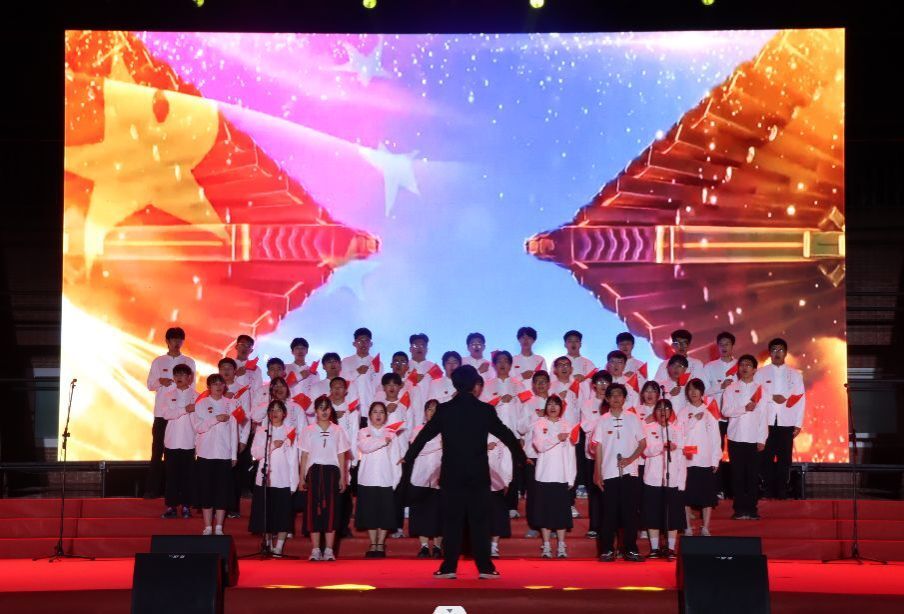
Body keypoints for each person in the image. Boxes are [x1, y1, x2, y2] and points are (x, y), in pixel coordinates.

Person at [403, 365, 526, 579]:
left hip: (452, 475)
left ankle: (449, 567)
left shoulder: (445, 410)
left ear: (454, 384)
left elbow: (424, 435)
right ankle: (485, 568)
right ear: (474, 385)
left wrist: (409, 456)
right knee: (480, 522)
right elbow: (506, 434)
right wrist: (521, 457)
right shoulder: (485, 410)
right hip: (478, 475)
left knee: (452, 522)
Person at [592, 383, 646, 562]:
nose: (616, 398)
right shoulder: (602, 420)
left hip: (630, 473)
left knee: (630, 513)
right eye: (612, 395)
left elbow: (643, 444)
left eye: (619, 395)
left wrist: (630, 459)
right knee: (609, 513)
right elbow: (598, 447)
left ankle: (630, 549)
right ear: (607, 399)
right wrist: (597, 472)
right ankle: (607, 549)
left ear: (624, 398)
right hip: (609, 473)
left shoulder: (633, 418)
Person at [145, 327, 196, 498]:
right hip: (162, 414)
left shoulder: (189, 361)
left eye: (180, 339)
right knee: (157, 451)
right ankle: (153, 490)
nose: (177, 342)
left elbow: (192, 387)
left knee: (180, 455)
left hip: (182, 417)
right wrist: (160, 380)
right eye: (173, 339)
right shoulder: (158, 361)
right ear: (167, 341)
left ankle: (179, 492)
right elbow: (150, 385)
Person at [298, 395, 351, 561]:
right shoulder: (308, 430)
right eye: (320, 408)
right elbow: (304, 456)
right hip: (314, 473)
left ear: (331, 410)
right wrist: (301, 478)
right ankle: (315, 550)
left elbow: (341, 455)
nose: (324, 411)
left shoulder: (338, 430)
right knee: (313, 510)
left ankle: (329, 550)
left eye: (327, 408)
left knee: (331, 511)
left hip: (332, 473)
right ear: (315, 411)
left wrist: (343, 478)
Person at [480, 351, 529, 518]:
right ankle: (493, 504)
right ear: (494, 364)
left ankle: (511, 506)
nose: (502, 364)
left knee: (513, 470)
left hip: (513, 433)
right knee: (493, 469)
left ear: (510, 364)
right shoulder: (487, 385)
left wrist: (522, 435)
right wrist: (499, 401)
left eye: (506, 361)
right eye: (499, 361)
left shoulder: (518, 385)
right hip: (493, 434)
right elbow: (483, 408)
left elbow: (524, 411)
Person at [755, 338, 806, 500]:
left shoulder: (795, 374)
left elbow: (800, 399)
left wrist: (798, 423)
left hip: (786, 421)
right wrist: (771, 397)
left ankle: (782, 489)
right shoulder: (760, 373)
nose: (777, 353)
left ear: (786, 353)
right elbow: (756, 394)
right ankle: (768, 489)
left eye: (781, 350)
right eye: (774, 350)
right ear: (769, 353)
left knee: (784, 458)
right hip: (766, 421)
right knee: (766, 457)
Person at [249, 400, 299, 555]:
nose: (275, 413)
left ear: (284, 413)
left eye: (278, 410)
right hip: (265, 479)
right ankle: (269, 544)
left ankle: (279, 547)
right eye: (272, 410)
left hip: (283, 480)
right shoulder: (261, 431)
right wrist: (272, 445)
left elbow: (294, 459)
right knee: (266, 514)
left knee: (283, 515)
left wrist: (293, 483)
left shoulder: (290, 431)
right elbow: (255, 453)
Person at [721, 354, 768, 520]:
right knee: (737, 475)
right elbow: (725, 411)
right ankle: (739, 509)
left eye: (748, 365)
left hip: (754, 439)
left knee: (753, 476)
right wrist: (744, 408)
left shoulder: (761, 389)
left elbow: (764, 416)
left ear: (754, 369)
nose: (744, 368)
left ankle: (752, 509)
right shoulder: (731, 388)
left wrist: (762, 439)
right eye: (742, 365)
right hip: (735, 438)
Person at [530, 395, 577, 559]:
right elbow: (540, 446)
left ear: (561, 408)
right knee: (544, 513)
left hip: (561, 475)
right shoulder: (539, 424)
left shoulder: (567, 425)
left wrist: (571, 477)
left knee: (561, 513)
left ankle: (562, 545)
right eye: (549, 404)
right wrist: (557, 438)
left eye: (556, 405)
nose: (552, 407)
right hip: (544, 475)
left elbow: (571, 454)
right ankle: (546, 545)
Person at [191, 373, 238, 536]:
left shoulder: (231, 404)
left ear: (225, 386)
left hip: (224, 454)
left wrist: (234, 455)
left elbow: (234, 431)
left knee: (222, 491)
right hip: (205, 453)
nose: (218, 387)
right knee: (206, 490)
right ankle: (207, 526)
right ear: (209, 387)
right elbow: (198, 427)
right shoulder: (201, 404)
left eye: (221, 384)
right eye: (215, 384)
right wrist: (215, 419)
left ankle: (219, 527)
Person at [356, 402, 404, 558]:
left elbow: (396, 459)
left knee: (384, 514)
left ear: (386, 416)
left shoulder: (391, 434)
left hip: (386, 479)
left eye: (381, 412)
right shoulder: (363, 431)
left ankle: (381, 544)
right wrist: (383, 441)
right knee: (370, 513)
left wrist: (395, 482)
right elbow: (365, 447)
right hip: (367, 478)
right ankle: (373, 544)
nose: (378, 415)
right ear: (369, 415)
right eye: (375, 412)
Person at [642, 399, 686, 559]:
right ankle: (654, 548)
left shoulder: (677, 430)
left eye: (666, 409)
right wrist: (662, 446)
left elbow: (681, 456)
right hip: (652, 478)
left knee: (672, 514)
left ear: (671, 412)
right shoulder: (647, 429)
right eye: (659, 409)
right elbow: (645, 451)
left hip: (672, 478)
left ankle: (671, 548)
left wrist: (682, 482)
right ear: (654, 412)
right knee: (653, 513)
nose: (663, 412)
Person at [681, 379, 722, 536]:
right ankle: (687, 527)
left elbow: (715, 438)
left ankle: (705, 527)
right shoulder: (683, 412)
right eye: (690, 389)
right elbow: (680, 433)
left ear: (702, 392)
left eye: (696, 389)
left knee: (707, 496)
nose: (693, 392)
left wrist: (715, 458)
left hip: (705, 459)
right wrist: (693, 420)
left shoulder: (709, 410)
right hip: (688, 459)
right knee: (686, 496)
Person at [160, 363, 198, 519]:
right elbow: (166, 414)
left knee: (188, 477)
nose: (179, 378)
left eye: (182, 375)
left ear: (189, 377)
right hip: (171, 442)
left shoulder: (197, 396)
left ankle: (187, 506)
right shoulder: (168, 395)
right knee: (172, 476)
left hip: (189, 442)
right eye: (176, 375)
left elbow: (198, 421)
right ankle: (171, 506)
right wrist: (184, 409)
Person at [703, 332, 738, 497]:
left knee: (736, 453)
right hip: (715, 416)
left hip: (736, 417)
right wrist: (720, 387)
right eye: (721, 344)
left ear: (732, 346)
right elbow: (703, 391)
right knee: (716, 452)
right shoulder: (710, 367)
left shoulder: (741, 365)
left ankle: (735, 490)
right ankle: (717, 489)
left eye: (727, 344)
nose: (724, 347)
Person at [408, 399, 443, 558]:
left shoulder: (446, 430)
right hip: (420, 476)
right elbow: (419, 448)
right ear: (424, 412)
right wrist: (440, 445)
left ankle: (437, 546)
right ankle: (423, 546)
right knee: (421, 512)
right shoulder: (417, 430)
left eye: (436, 410)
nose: (432, 413)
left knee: (439, 513)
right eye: (429, 409)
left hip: (439, 477)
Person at [579, 370, 612, 537]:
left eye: (606, 382)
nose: (603, 385)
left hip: (610, 454)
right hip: (592, 455)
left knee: (610, 491)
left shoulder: (614, 403)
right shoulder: (587, 404)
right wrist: (603, 421)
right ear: (593, 386)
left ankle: (609, 526)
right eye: (599, 382)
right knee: (594, 491)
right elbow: (585, 426)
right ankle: (594, 526)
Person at [341, 327, 381, 413]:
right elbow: (341, 382)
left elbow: (379, 387)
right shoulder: (346, 362)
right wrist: (356, 372)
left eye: (366, 341)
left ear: (371, 344)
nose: (363, 344)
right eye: (360, 341)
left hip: (371, 409)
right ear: (354, 343)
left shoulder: (378, 364)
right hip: (350, 409)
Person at [487, 432, 513, 558]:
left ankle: (494, 546)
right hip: (476, 484)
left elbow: (507, 461)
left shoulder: (500, 439)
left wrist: (506, 482)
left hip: (497, 484)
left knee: (497, 516)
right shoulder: (472, 435)